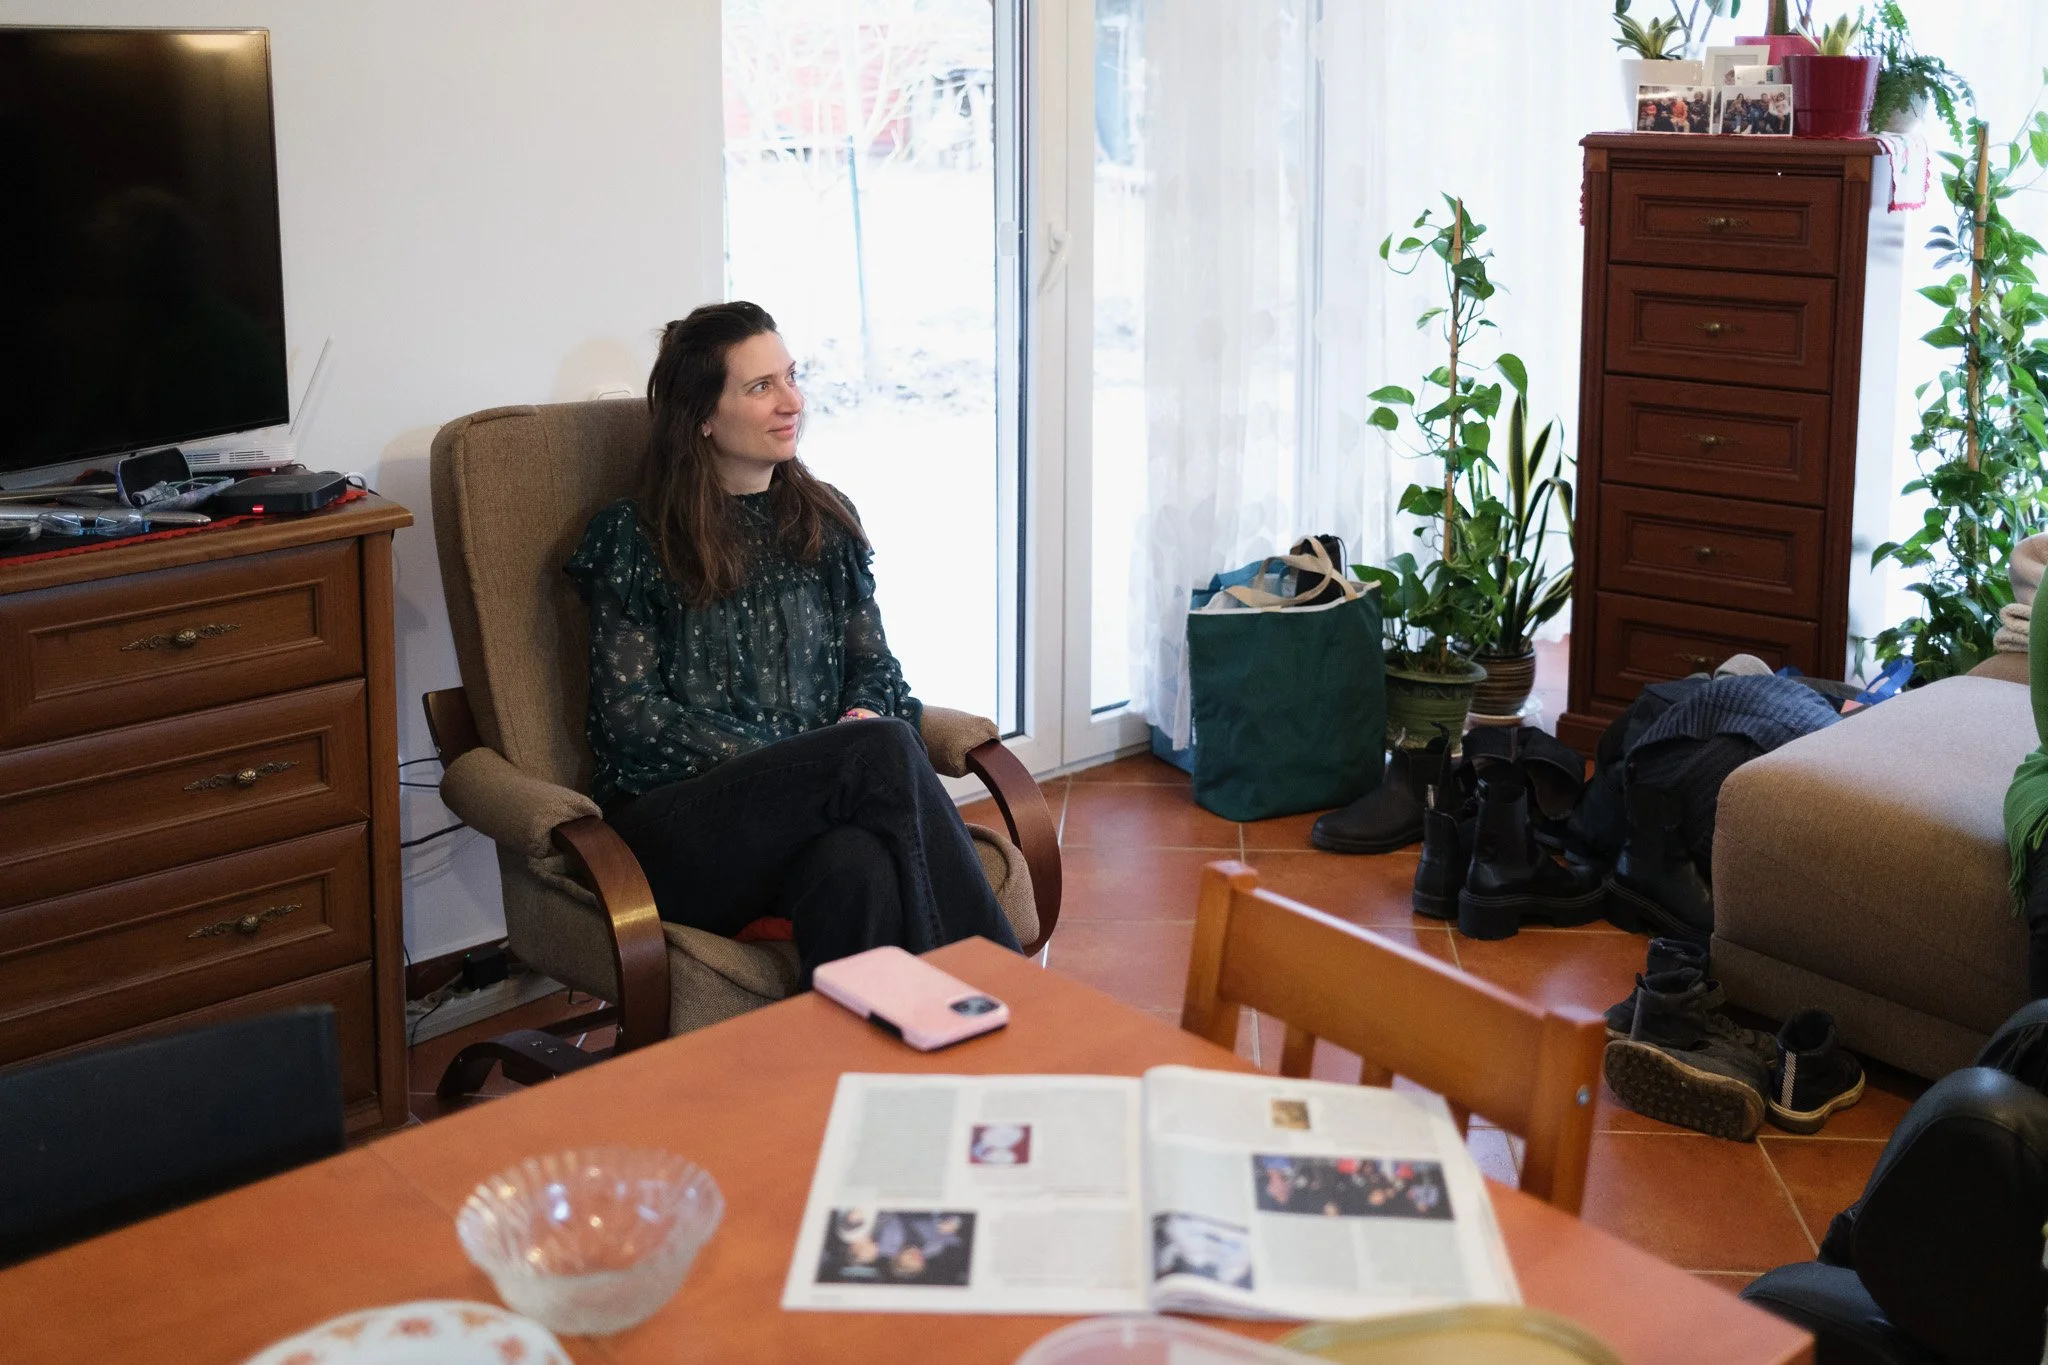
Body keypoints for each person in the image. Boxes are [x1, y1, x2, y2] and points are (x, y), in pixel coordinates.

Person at [564, 300, 1021, 988]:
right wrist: (812, 757)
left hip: (812, 815)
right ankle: (1002, 992)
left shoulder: (824, 520)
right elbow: (632, 721)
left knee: (857, 867)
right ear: (702, 417)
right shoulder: (633, 538)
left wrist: (855, 721)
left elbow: (875, 669)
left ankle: (868, 1053)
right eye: (761, 386)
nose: (793, 402)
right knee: (875, 750)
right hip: (675, 831)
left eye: (792, 376)